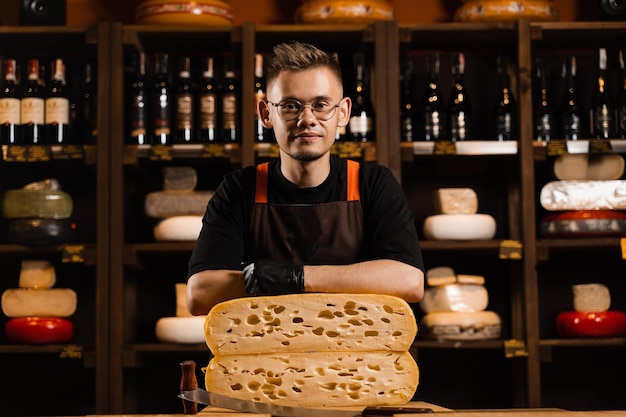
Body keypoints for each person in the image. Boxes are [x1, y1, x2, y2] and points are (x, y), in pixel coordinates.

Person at [186, 41, 424, 315]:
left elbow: (409, 281)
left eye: (321, 105)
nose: (307, 119)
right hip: (266, 353)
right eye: (290, 106)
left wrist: (294, 277)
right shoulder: (239, 189)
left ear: (343, 112)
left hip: (355, 354)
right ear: (266, 113)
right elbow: (200, 293)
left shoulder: (372, 183)